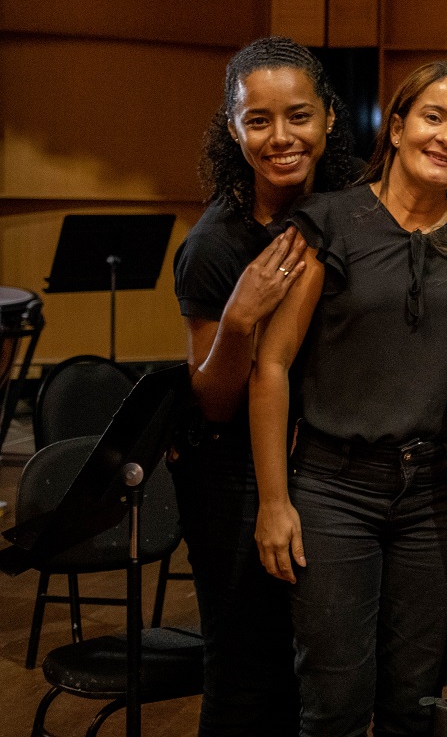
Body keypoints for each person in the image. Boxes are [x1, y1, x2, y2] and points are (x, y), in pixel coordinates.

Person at [249, 59, 447, 737]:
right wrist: (275, 502)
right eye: (433, 117)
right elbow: (271, 366)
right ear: (396, 126)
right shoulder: (327, 222)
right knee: (332, 705)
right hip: (334, 492)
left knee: (415, 705)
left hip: (440, 498)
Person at [171, 37, 361, 737]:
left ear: (329, 119)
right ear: (233, 127)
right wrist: (240, 320)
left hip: (332, 470)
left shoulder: (360, 208)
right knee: (249, 672)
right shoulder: (215, 246)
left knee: (323, 668)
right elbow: (213, 401)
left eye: (299, 116)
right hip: (235, 480)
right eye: (259, 120)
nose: (281, 138)